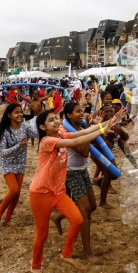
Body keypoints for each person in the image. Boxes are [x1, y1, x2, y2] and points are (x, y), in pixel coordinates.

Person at [28, 108, 125, 273]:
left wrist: (109, 122)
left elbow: (85, 132)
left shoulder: (61, 135)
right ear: (43, 127)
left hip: (57, 192)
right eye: (51, 120)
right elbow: (75, 143)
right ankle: (35, 266)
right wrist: (102, 130)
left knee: (78, 219)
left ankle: (66, 254)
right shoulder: (47, 141)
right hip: (40, 193)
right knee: (42, 233)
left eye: (57, 118)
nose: (57, 121)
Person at [50, 103, 101, 264]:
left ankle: (58, 216)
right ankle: (88, 254)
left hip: (82, 170)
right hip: (71, 173)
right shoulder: (67, 133)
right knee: (85, 211)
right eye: (78, 111)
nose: (82, 113)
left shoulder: (79, 130)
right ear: (69, 115)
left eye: (82, 111)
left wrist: (92, 125)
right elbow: (85, 152)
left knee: (92, 206)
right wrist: (88, 128)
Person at [0, 103, 38, 229]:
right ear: (9, 115)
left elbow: (38, 134)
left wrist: (48, 127)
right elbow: (3, 153)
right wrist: (17, 146)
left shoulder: (25, 127)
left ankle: (7, 219)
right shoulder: (6, 131)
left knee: (17, 194)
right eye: (16, 112)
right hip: (7, 164)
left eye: (21, 112)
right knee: (13, 190)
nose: (20, 114)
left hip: (20, 164)